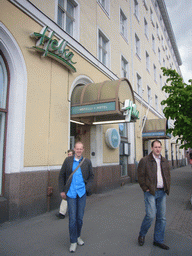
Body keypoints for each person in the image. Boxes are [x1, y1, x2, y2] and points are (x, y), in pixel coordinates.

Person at [59, 141, 94, 253]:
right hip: (71, 194)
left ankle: (78, 236)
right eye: (77, 148)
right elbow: (61, 176)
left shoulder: (87, 162)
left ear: (83, 150)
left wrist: (87, 187)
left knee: (79, 218)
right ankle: (73, 241)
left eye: (81, 148)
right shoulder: (68, 161)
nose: (79, 150)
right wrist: (62, 190)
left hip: (81, 193)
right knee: (72, 219)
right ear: (74, 149)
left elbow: (91, 176)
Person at [137, 140, 171, 250]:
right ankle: (142, 234)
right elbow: (140, 176)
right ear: (152, 148)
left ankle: (158, 240)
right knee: (151, 215)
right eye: (155, 147)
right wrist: (144, 188)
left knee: (162, 218)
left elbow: (167, 175)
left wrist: (167, 187)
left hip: (162, 192)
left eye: (159, 147)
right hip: (150, 192)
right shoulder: (145, 160)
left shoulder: (165, 161)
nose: (158, 149)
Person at [56, 149, 74, 219]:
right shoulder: (66, 161)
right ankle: (62, 213)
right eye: (68, 154)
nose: (69, 155)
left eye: (70, 154)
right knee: (65, 198)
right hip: (67, 182)